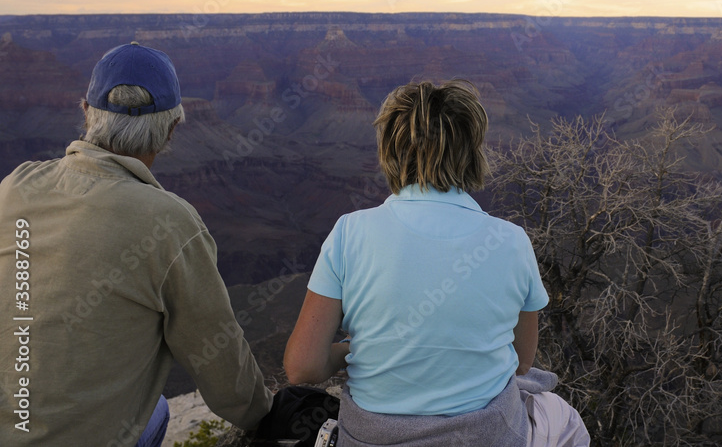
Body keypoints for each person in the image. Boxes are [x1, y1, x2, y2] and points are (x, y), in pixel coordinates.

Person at [284, 80, 590, 446]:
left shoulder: (350, 232)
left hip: (372, 439)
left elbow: (302, 367)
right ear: (472, 153)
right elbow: (522, 362)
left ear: (390, 149)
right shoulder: (510, 240)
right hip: (482, 438)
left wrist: (359, 348)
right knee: (560, 416)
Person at [0, 42, 273, 446]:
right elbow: (221, 367)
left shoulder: (15, 186)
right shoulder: (170, 223)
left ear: (86, 113)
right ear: (172, 128)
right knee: (157, 409)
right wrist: (268, 417)